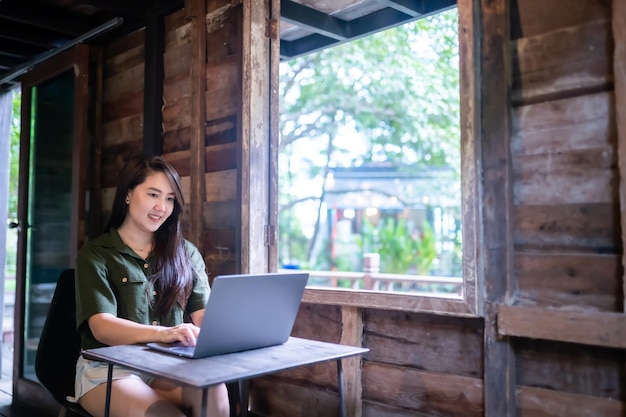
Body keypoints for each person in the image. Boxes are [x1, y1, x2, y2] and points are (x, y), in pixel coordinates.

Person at [71, 155, 230, 417]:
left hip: (168, 367)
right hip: (109, 371)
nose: (162, 207)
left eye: (169, 199)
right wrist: (165, 334)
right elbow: (102, 327)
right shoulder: (96, 254)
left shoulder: (186, 253)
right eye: (153, 194)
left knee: (214, 390)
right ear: (128, 195)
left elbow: (204, 319)